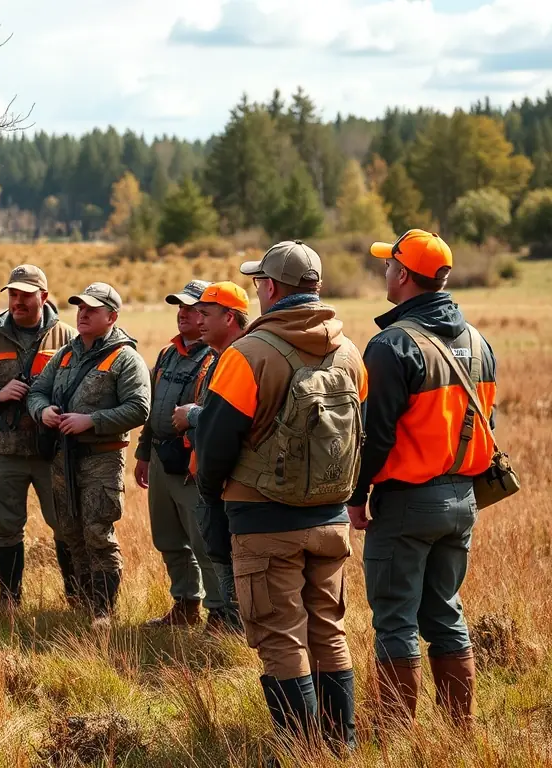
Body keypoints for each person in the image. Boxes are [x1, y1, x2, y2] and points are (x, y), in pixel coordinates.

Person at [194, 242, 367, 752]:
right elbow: (363, 432)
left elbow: (215, 446)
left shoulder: (247, 354)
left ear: (270, 289)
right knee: (328, 630)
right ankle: (341, 747)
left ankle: (300, 751)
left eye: (258, 282)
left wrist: (212, 500)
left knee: (280, 636)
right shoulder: (351, 353)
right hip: (331, 519)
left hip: (263, 520)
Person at [348, 230, 497, 731]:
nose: (384, 272)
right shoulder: (478, 341)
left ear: (404, 276)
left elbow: (376, 437)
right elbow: (486, 426)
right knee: (445, 614)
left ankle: (394, 735)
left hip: (407, 503)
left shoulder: (391, 346)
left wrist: (356, 494)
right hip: (462, 500)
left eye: (389, 265)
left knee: (395, 618)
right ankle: (460, 731)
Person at [27, 283, 151, 627]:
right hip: (63, 458)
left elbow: (139, 408)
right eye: (80, 307)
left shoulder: (126, 358)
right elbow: (37, 391)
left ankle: (103, 612)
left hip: (102, 458)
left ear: (111, 316)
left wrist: (91, 421)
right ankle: (82, 605)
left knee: (97, 531)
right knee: (69, 531)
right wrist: (43, 412)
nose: (82, 314)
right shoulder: (65, 354)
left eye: (92, 310)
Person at [0, 265, 77, 608]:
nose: (18, 301)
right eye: (13, 294)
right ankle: (8, 602)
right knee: (7, 529)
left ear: (44, 297)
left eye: (25, 295)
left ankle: (77, 599)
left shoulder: (68, 339)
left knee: (65, 526)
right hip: (4, 451)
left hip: (53, 451)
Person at [135, 280, 226, 629]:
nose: (184, 314)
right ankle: (186, 604)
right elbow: (153, 407)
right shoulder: (167, 354)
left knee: (202, 540)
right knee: (168, 538)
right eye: (180, 307)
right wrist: (144, 453)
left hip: (190, 463)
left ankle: (219, 612)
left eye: (193, 308)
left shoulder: (215, 357)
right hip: (160, 456)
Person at [172, 281, 251, 633]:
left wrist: (192, 416)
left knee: (235, 559)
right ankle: (230, 624)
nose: (197, 320)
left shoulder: (243, 358)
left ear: (230, 317)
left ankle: (236, 626)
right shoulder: (220, 358)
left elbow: (234, 419)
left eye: (205, 314)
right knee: (219, 551)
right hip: (212, 476)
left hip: (236, 479)